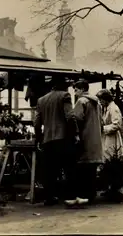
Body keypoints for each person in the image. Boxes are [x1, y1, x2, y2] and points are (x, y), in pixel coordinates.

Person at [33, 76, 79, 206]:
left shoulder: (41, 100)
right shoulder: (65, 96)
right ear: (64, 86)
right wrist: (75, 133)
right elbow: (70, 116)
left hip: (48, 139)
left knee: (50, 170)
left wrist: (39, 138)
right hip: (63, 138)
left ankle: (49, 198)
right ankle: (70, 197)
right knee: (69, 168)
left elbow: (36, 122)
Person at [68, 80, 104, 206]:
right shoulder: (97, 102)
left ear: (82, 89)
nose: (75, 92)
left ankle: (83, 195)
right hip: (96, 138)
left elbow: (76, 119)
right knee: (92, 169)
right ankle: (91, 194)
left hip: (85, 137)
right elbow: (101, 121)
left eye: (76, 89)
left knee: (82, 168)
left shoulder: (82, 101)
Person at [96, 88, 123, 200]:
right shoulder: (107, 108)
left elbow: (117, 125)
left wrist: (102, 128)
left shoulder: (113, 108)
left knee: (111, 161)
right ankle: (109, 188)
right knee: (106, 161)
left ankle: (114, 189)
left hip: (112, 138)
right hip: (107, 138)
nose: (100, 102)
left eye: (101, 100)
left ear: (106, 99)